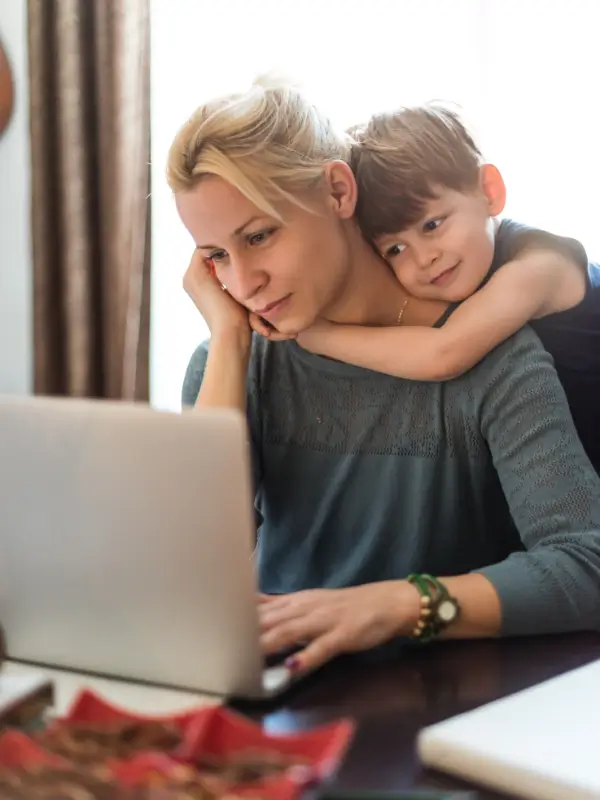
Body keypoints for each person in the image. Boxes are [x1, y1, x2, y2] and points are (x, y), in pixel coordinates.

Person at [167, 77, 600, 676]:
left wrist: (401, 603)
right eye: (215, 256)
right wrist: (230, 340)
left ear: (338, 191)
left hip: (438, 711)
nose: (242, 285)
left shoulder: (494, 356)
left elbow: (588, 564)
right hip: (285, 698)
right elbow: (194, 571)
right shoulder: (229, 359)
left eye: (260, 237)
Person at [297, 105, 600, 471]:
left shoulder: (539, 264)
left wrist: (318, 336)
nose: (423, 258)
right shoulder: (464, 269)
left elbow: (444, 353)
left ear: (489, 191)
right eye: (395, 249)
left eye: (432, 225)